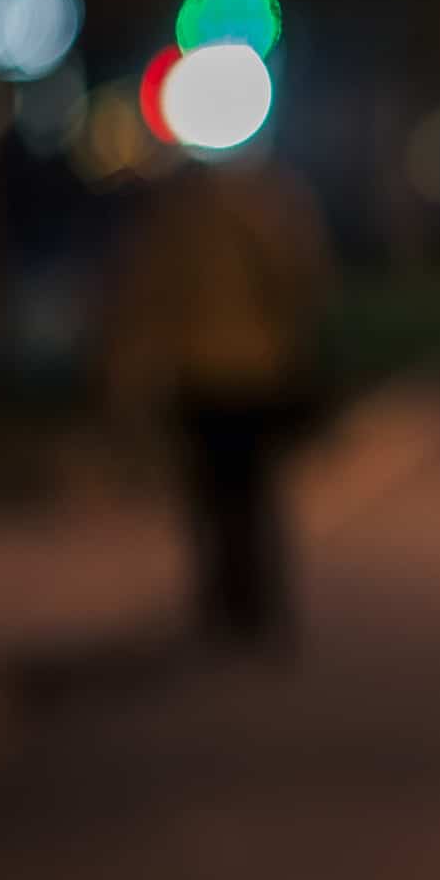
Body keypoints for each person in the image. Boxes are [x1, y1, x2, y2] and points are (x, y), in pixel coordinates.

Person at [101, 149, 334, 655]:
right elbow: (302, 277)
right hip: (256, 368)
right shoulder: (271, 203)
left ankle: (224, 598)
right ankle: (255, 599)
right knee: (251, 488)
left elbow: (144, 292)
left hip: (203, 372)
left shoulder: (175, 213)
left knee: (211, 489)